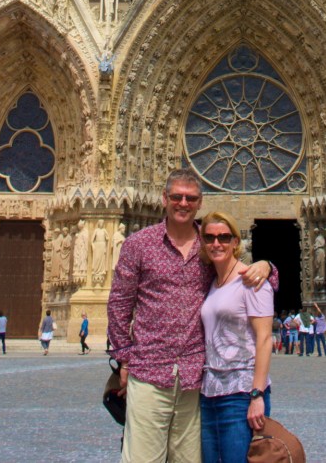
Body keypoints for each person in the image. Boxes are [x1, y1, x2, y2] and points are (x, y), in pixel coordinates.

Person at [107, 169, 276, 463]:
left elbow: (246, 278)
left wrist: (268, 266)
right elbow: (119, 304)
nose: (183, 203)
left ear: (200, 202)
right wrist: (124, 359)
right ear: (164, 198)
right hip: (150, 371)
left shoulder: (209, 246)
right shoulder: (139, 244)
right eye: (177, 197)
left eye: (191, 198)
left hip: (194, 379)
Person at [199, 211, 274, 463]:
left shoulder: (252, 280)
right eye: (209, 238)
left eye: (223, 237)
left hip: (241, 394)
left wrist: (257, 395)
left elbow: (265, 338)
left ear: (235, 242)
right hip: (209, 393)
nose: (216, 243)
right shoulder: (210, 281)